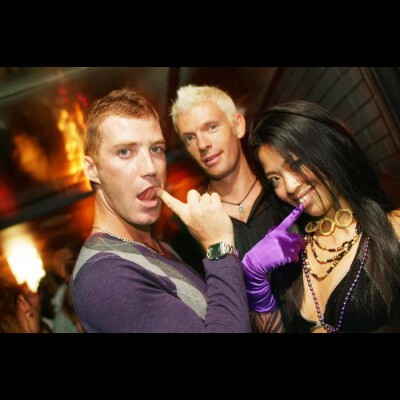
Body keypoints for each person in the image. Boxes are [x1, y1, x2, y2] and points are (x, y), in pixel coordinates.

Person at [70, 87, 251, 333]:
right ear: (92, 169)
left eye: (156, 149)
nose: (150, 168)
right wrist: (219, 247)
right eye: (125, 152)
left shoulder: (157, 247)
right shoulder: (103, 278)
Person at [246, 100, 400, 333]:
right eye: (275, 179)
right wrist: (255, 282)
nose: (290, 186)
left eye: (296, 164)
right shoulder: (290, 259)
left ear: (327, 149)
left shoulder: (393, 229)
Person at [169, 85, 277, 276]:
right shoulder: (190, 226)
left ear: (238, 126)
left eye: (211, 127)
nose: (202, 144)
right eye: (190, 138)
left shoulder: (281, 192)